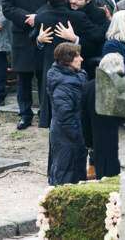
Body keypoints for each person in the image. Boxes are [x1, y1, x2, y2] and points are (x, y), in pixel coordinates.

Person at [2, 0, 56, 130]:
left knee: (44, 77)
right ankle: (25, 115)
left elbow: (53, 3)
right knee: (23, 79)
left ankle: (45, 114)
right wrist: (28, 18)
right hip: (22, 37)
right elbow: (7, 8)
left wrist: (38, 17)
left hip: (44, 35)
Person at [32, 0, 102, 128]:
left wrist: (74, 38)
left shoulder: (41, 17)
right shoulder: (77, 17)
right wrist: (39, 39)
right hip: (72, 66)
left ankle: (48, 120)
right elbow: (98, 36)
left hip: (51, 66)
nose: (74, 1)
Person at [46, 42, 88, 185]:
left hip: (73, 135)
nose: (82, 59)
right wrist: (79, 137)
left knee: (76, 173)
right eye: (78, 56)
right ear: (68, 60)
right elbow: (65, 116)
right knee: (65, 175)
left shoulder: (76, 76)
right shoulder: (63, 85)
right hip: (67, 137)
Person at [82, 53, 123, 180]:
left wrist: (89, 143)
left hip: (99, 144)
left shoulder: (88, 88)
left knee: (104, 181)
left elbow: (84, 120)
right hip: (122, 144)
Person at [67, 0, 109, 76]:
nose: (73, 1)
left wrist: (75, 39)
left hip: (85, 66)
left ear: (89, 0)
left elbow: (96, 44)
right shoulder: (64, 7)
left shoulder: (98, 14)